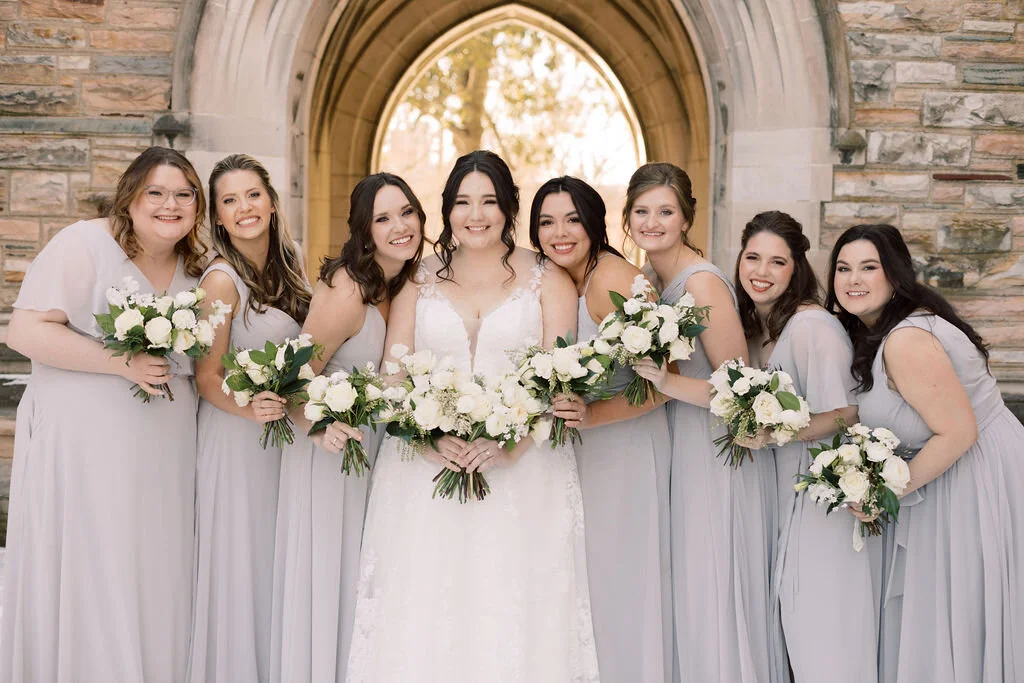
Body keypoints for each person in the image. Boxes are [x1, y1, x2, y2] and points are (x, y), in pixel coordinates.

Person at [345, 150, 599, 682]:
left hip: (525, 472)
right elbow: (395, 374)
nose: (475, 214)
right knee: (426, 609)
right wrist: (427, 435)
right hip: (424, 471)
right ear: (447, 209)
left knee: (515, 609)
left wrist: (512, 445)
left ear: (509, 207)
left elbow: (560, 378)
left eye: (489, 201)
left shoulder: (550, 278)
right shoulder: (418, 277)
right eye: (462, 202)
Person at [1, 146, 208, 682]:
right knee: (93, 561)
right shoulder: (85, 245)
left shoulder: (198, 269)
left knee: (154, 567)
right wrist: (123, 362)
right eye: (156, 193)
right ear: (131, 197)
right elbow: (24, 331)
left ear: (197, 207)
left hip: (165, 450)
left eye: (184, 195)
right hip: (83, 445)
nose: (170, 205)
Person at [827, 223, 1024, 683]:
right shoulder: (890, 328)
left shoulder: (905, 340)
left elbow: (957, 433)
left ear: (894, 275)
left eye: (868, 268)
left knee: (964, 613)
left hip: (973, 480)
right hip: (956, 471)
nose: (853, 279)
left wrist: (883, 495)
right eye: (842, 268)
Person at [271, 173, 424, 683]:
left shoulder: (402, 282)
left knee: (369, 582)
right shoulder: (347, 288)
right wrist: (318, 428)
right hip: (333, 454)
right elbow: (292, 377)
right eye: (383, 218)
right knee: (334, 582)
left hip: (379, 453)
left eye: (406, 212)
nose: (400, 226)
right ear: (364, 232)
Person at [626, 162, 775, 683]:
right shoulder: (645, 282)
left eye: (665, 211)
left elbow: (743, 392)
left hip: (711, 450)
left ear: (686, 218)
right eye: (642, 211)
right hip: (670, 446)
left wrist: (666, 384)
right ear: (627, 219)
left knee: (710, 580)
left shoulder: (703, 284)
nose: (653, 222)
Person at [530, 176, 672, 682]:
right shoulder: (566, 278)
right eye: (547, 221)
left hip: (625, 451)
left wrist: (591, 416)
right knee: (589, 581)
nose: (559, 232)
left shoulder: (616, 279)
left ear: (594, 223)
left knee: (618, 578)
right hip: (588, 453)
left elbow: (660, 385)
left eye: (572, 219)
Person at [187, 154, 311, 683]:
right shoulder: (220, 281)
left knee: (273, 561)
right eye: (230, 201)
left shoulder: (291, 261)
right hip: (237, 438)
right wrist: (250, 406)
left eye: (253, 195)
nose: (244, 208)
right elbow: (206, 376)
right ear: (217, 217)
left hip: (279, 440)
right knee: (244, 562)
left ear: (272, 200)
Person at [734, 211, 868, 682]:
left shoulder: (813, 326)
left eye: (777, 262)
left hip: (820, 496)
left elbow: (845, 413)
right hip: (783, 492)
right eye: (752, 257)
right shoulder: (760, 327)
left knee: (818, 624)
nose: (761, 271)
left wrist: (773, 434)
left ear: (797, 269)